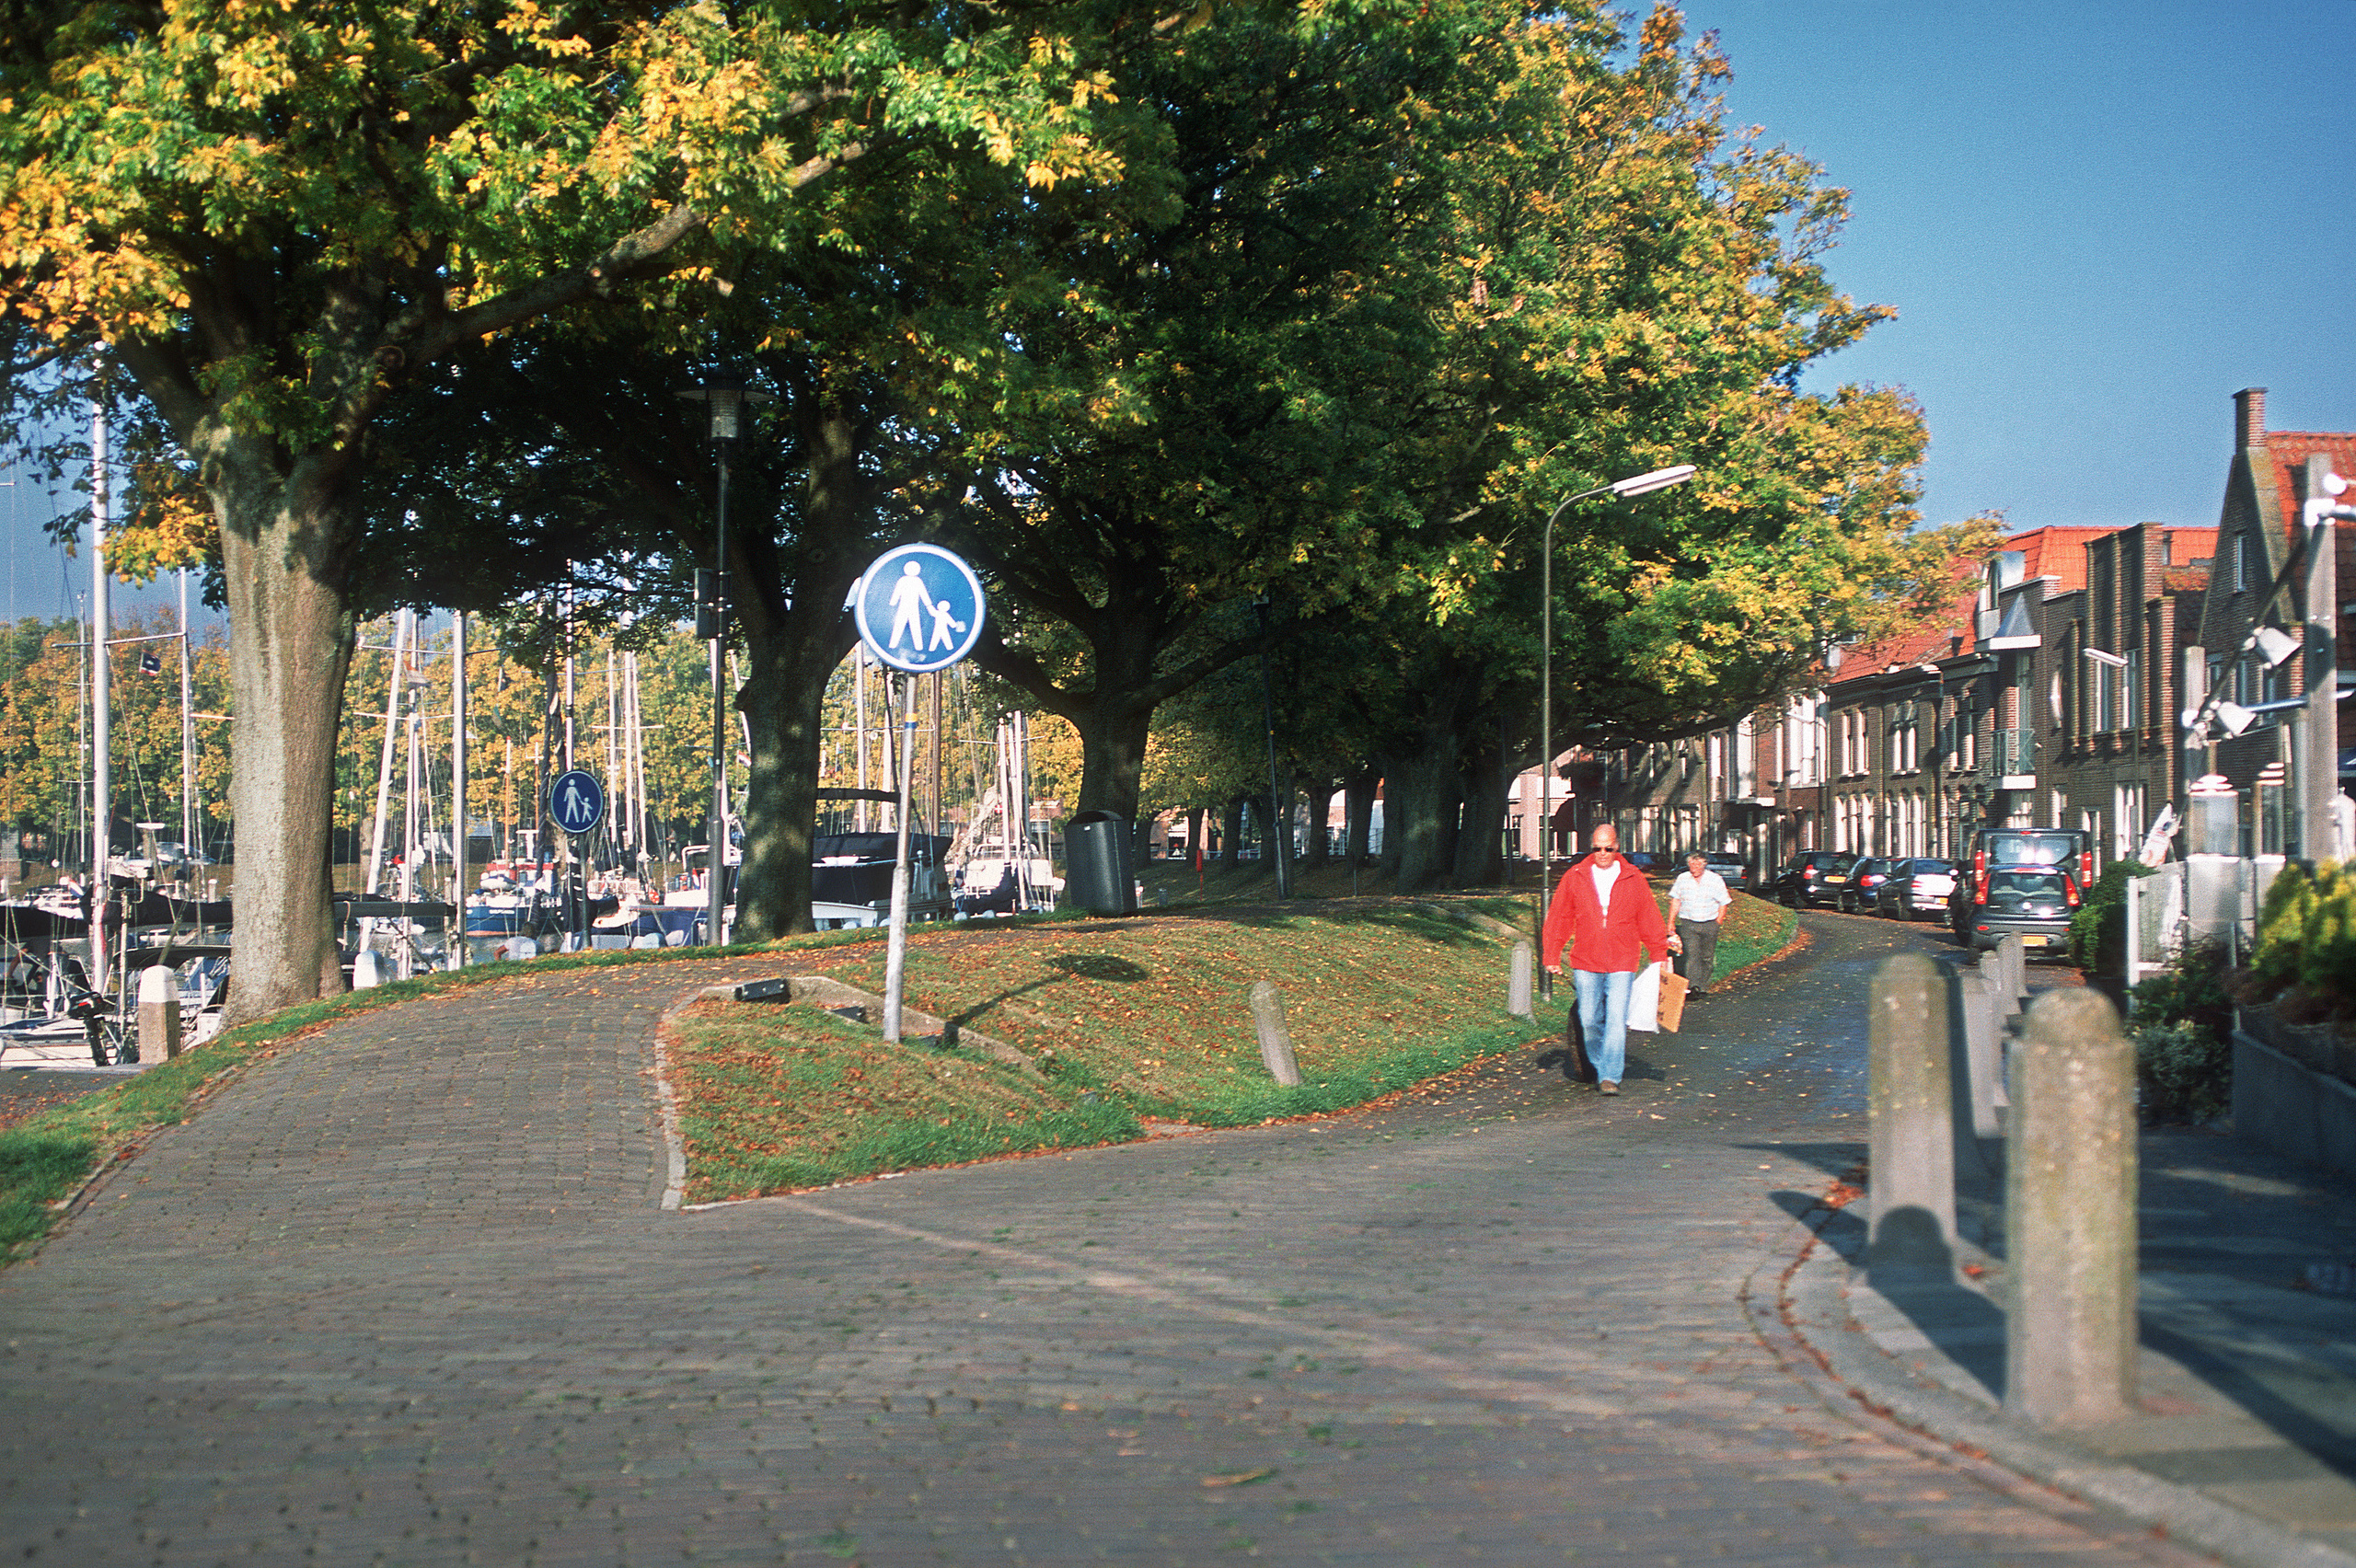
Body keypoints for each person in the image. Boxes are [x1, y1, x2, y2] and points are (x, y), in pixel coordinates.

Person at [1541, 825, 1678, 1096]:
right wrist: (1552, 954)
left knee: (1616, 1020)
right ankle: (1601, 1063)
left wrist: (1659, 953)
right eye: (1597, 849)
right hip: (1586, 961)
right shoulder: (1576, 876)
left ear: (1617, 847)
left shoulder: (1633, 877)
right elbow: (1559, 917)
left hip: (1622, 961)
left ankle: (1609, 1076)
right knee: (1589, 1020)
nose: (1602, 854)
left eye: (1608, 848)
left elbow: (1648, 917)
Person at [1667, 850, 1733, 995]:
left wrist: (1718, 922)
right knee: (1692, 955)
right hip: (1689, 923)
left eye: (1697, 864)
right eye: (1691, 864)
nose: (1694, 867)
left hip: (1709, 923)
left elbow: (1724, 903)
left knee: (1706, 957)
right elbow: (1676, 900)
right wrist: (1671, 921)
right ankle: (1693, 987)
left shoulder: (1715, 879)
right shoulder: (1682, 878)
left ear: (1704, 864)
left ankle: (1703, 986)